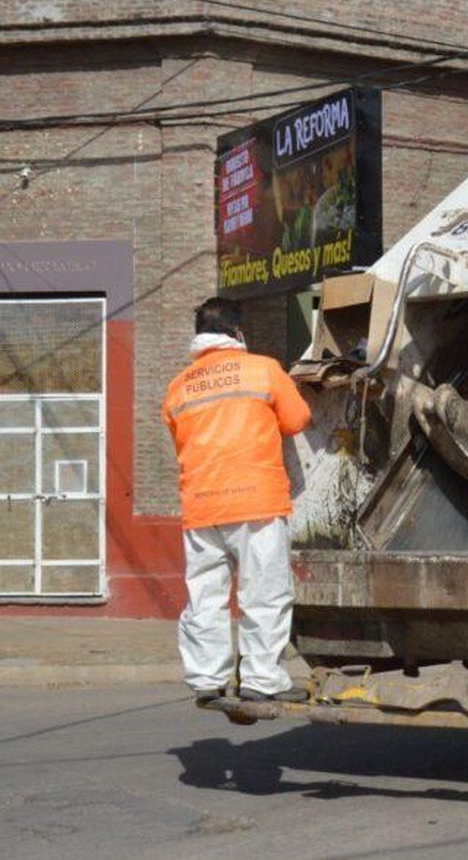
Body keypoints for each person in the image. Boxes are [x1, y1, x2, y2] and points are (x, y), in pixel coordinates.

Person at [162, 297, 312, 704]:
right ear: (237, 332)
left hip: (201, 507)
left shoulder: (178, 386)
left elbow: (180, 439)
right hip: (256, 503)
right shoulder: (263, 369)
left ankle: (207, 678)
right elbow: (297, 420)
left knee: (206, 597)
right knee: (263, 593)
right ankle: (262, 680)